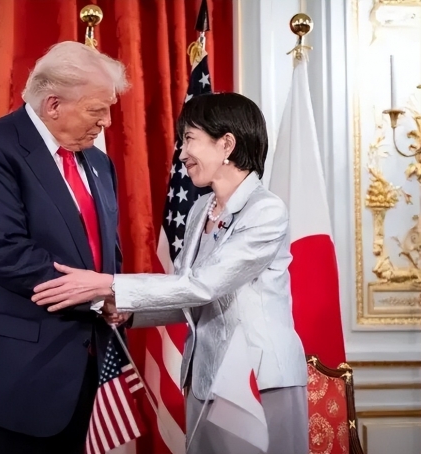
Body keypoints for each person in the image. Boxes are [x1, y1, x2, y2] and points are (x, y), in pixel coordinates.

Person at [32, 92, 309, 454]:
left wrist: (109, 284)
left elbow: (204, 286)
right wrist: (130, 312)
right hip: (204, 378)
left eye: (189, 139)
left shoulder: (266, 211)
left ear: (227, 144)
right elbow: (185, 296)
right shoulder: (199, 209)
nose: (182, 154)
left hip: (258, 380)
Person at [0, 41, 128, 454]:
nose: (107, 122)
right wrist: (101, 296)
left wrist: (117, 292)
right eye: (97, 110)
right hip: (7, 373)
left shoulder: (98, 162)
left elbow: (106, 249)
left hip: (80, 369)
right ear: (53, 104)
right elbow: (5, 250)